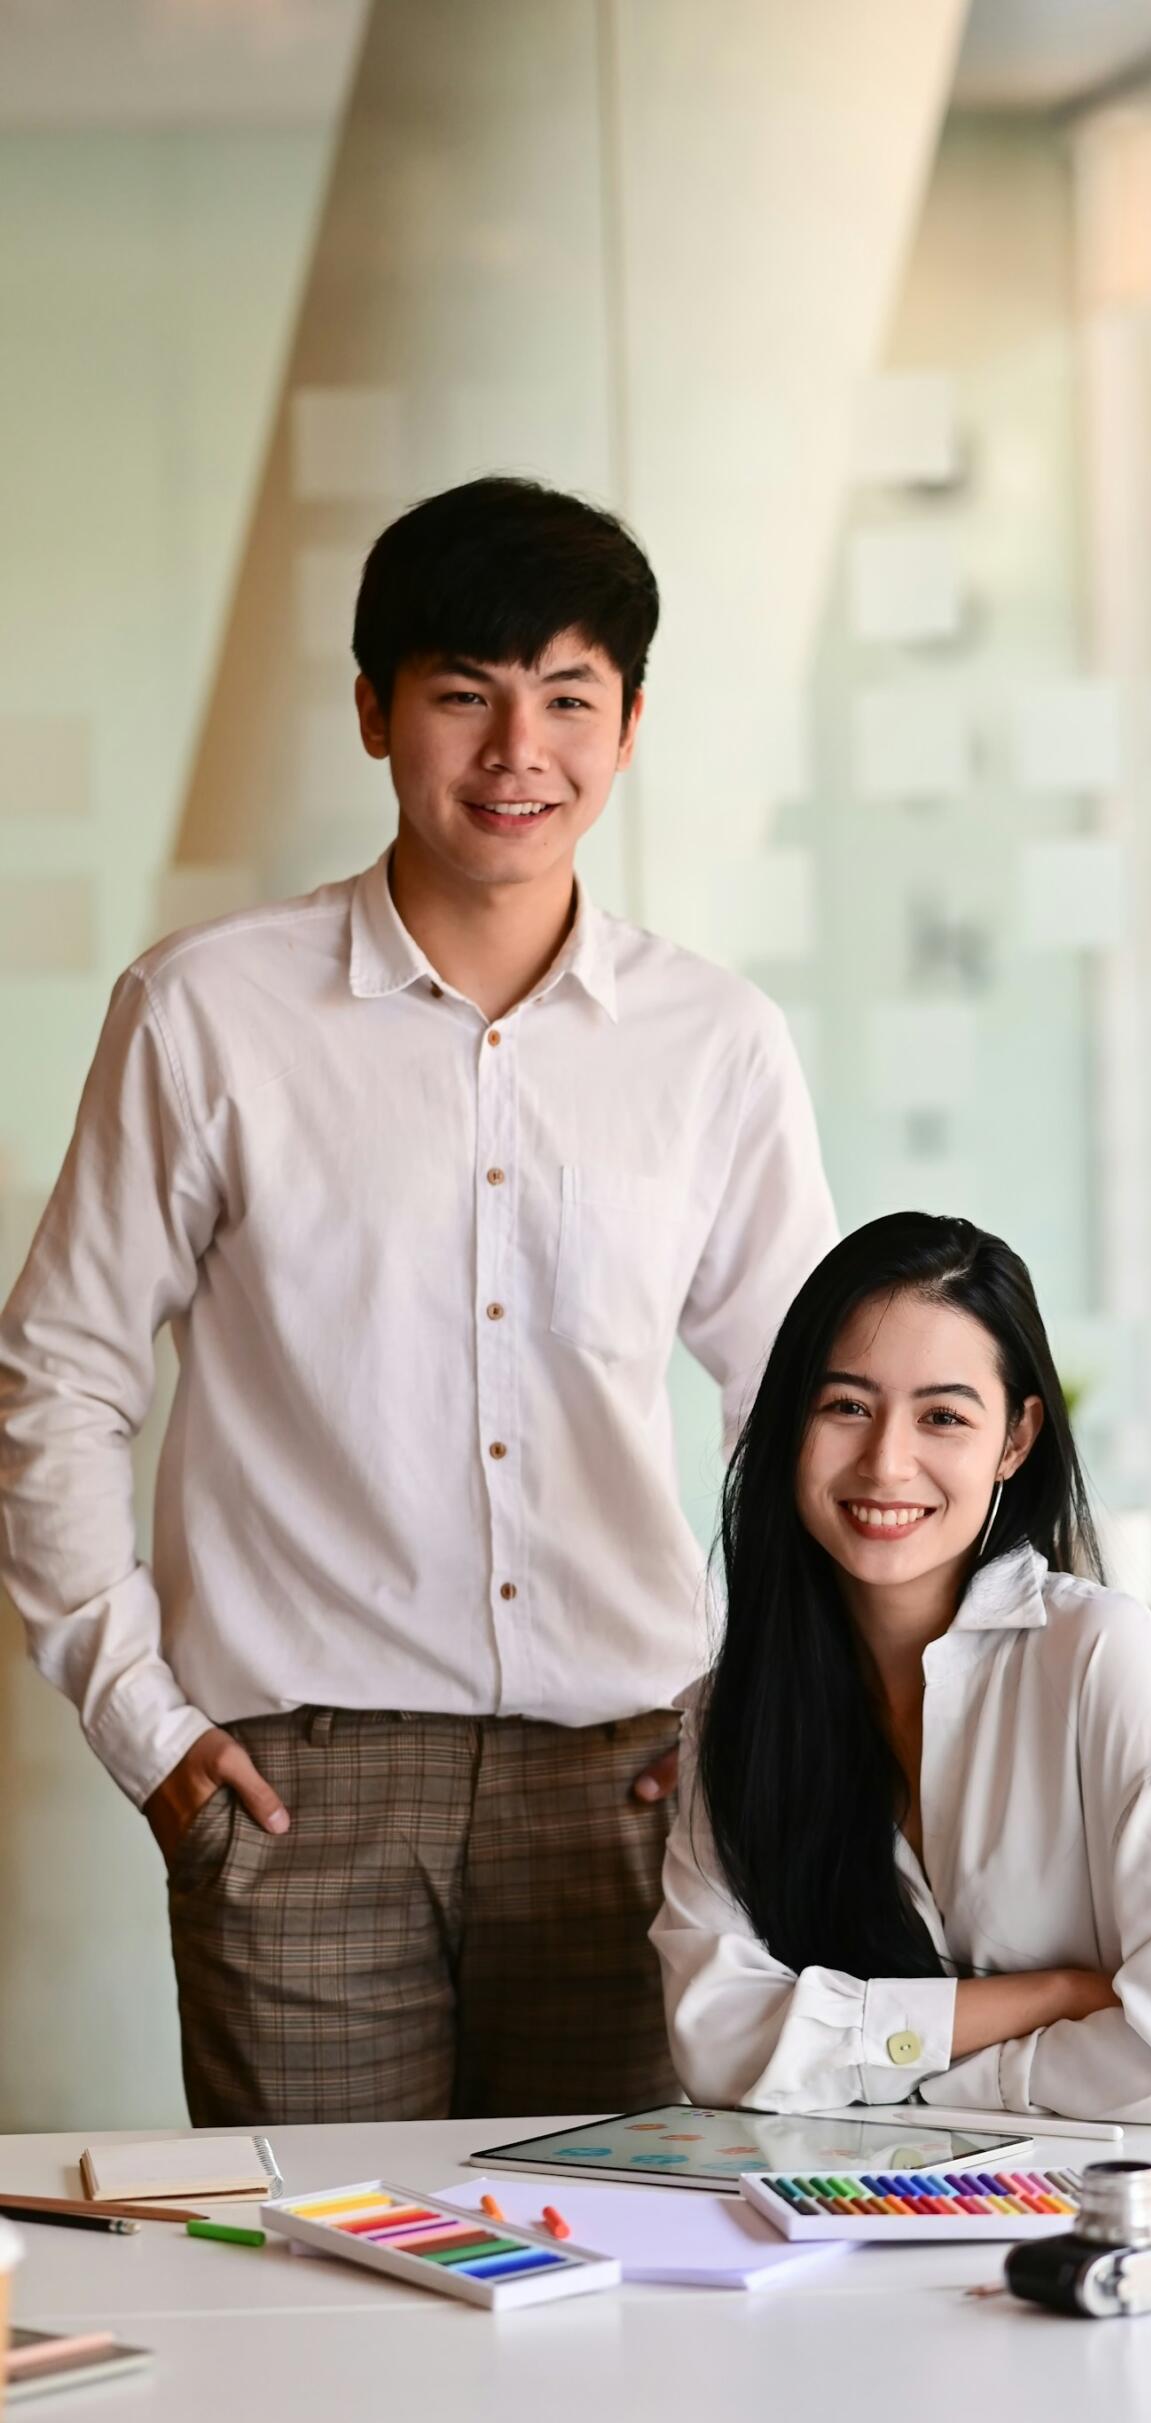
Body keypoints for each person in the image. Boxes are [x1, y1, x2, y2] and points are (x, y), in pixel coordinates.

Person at [0, 476, 836, 2124]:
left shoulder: (713, 1041)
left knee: (617, 2300)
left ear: (631, 722)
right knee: (323, 2311)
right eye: (465, 694)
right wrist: (148, 1729)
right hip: (297, 1786)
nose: (517, 749)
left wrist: (756, 1731)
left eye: (568, 698)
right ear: (376, 710)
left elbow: (803, 1410)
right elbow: (59, 1374)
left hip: (627, 1779)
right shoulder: (207, 1015)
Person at [651, 1213, 1151, 2217]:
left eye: (942, 1417)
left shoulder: (1098, 1660)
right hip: (871, 2235)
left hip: (1149, 2238)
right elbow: (721, 2046)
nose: (885, 1463)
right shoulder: (730, 1714)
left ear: (1016, 1438)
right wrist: (1042, 1999)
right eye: (846, 1406)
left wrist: (925, 2087)